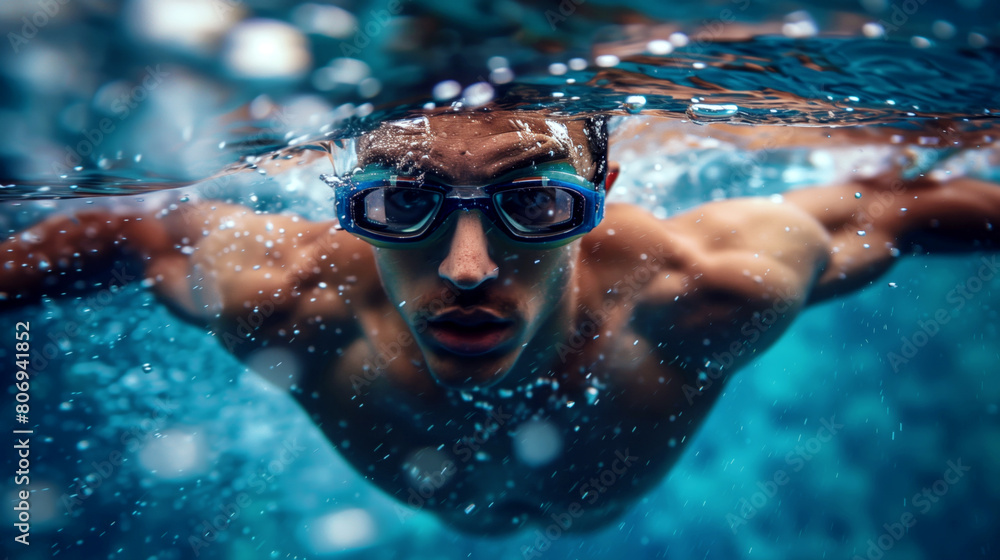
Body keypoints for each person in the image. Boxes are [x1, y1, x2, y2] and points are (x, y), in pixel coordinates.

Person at [2, 110, 998, 534]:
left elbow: (900, 210)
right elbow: (137, 231)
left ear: (599, 191)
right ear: (343, 198)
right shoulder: (291, 297)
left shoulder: (705, 289)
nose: (468, 268)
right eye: (403, 205)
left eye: (536, 203)